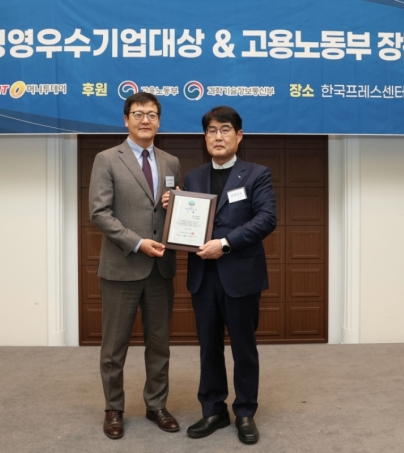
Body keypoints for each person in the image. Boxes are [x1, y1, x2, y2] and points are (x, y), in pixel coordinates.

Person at [174, 106, 276, 444]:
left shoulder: (257, 174)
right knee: (209, 347)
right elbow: (191, 220)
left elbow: (266, 219)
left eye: (225, 130)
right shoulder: (194, 176)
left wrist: (225, 243)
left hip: (241, 275)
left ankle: (245, 411)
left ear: (239, 135)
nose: (218, 137)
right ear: (205, 137)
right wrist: (175, 208)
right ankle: (213, 410)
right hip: (203, 276)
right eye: (211, 131)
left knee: (244, 347)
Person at [89, 92, 182, 439]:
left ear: (159, 121)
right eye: (139, 113)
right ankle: (113, 408)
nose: (146, 120)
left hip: (161, 269)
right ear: (126, 119)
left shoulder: (171, 162)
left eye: (152, 114)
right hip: (122, 266)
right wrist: (137, 242)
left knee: (159, 345)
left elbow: (174, 212)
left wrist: (177, 203)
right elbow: (99, 213)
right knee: (114, 348)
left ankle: (156, 405)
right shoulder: (106, 159)